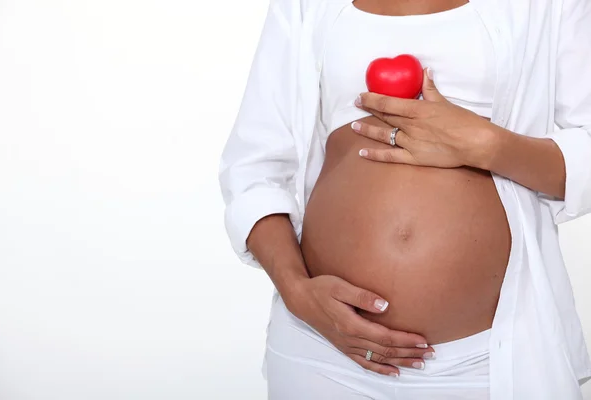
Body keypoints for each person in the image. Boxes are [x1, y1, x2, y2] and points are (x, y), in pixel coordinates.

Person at [218, 0, 591, 398]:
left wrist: (488, 145)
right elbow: (254, 168)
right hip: (324, 350)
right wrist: (296, 291)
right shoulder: (304, 6)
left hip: (490, 360)